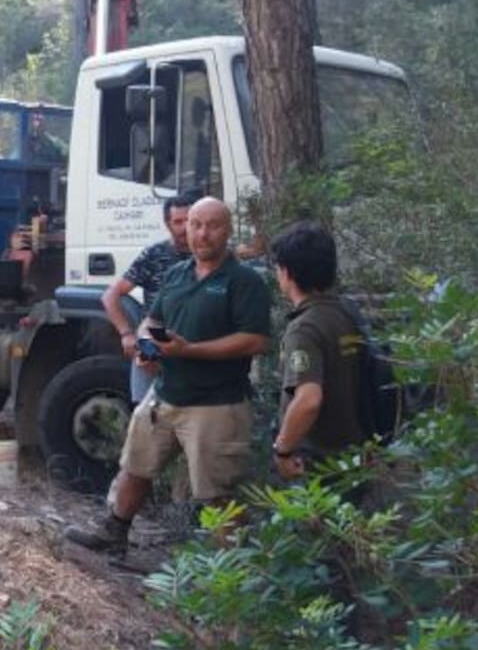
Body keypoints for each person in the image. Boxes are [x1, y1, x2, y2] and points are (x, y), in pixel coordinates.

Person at [65, 197, 272, 557]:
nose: (201, 234)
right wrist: (146, 345)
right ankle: (114, 532)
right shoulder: (177, 274)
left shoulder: (244, 281)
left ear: (228, 230)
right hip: (164, 395)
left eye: (212, 226)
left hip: (216, 404)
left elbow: (255, 340)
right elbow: (152, 319)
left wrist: (189, 349)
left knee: (217, 492)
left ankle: (233, 576)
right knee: (135, 466)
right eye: (195, 224)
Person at [268, 221, 364, 480]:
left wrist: (283, 450)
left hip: (320, 464)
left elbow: (308, 399)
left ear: (286, 272)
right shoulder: (347, 313)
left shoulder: (304, 329)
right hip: (358, 453)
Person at [101, 192, 195, 405]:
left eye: (189, 220)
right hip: (155, 338)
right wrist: (126, 334)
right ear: (168, 224)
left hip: (196, 342)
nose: (184, 227)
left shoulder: (209, 256)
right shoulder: (154, 255)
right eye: (178, 221)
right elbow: (111, 295)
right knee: (146, 411)